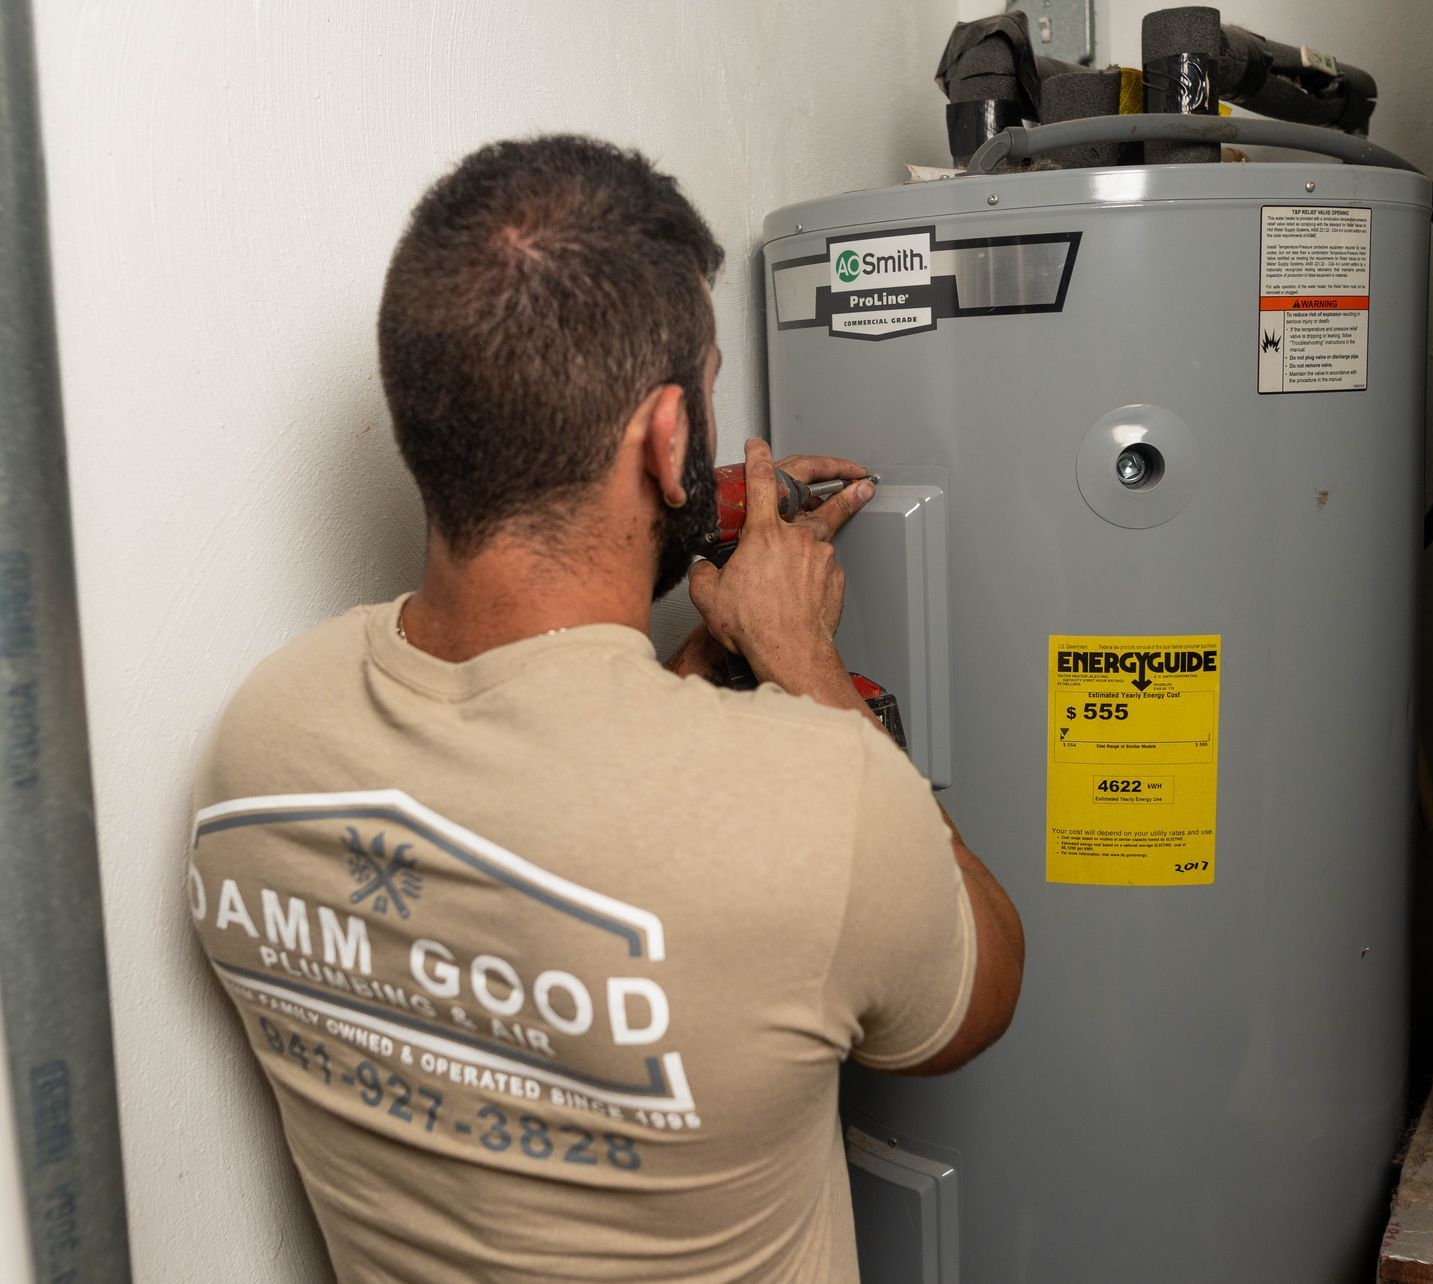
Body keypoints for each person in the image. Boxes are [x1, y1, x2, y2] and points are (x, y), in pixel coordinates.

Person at [186, 134, 1023, 1282]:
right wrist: (806, 671)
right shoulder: (827, 808)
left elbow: (535, 870)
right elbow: (979, 996)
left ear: (421, 415)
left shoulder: (257, 744)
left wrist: (686, 672)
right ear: (668, 436)